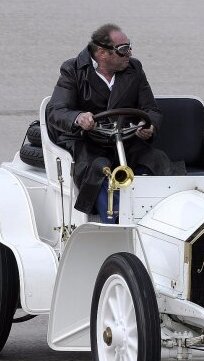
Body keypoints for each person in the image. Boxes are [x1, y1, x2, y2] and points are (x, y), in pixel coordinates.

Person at [46, 23, 177, 219]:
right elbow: (56, 111)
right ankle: (113, 221)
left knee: (157, 160)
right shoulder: (73, 69)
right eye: (123, 50)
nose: (129, 54)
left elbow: (151, 109)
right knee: (99, 168)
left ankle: (165, 217)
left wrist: (149, 125)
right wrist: (78, 117)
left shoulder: (134, 69)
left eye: (129, 47)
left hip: (126, 140)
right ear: (102, 53)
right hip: (87, 143)